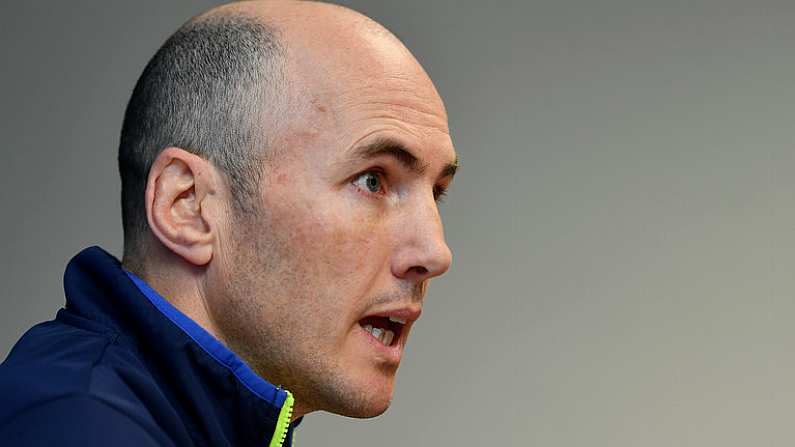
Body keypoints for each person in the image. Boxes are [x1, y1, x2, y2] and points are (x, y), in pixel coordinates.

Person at [0, 1, 457, 445]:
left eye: (436, 192)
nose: (436, 253)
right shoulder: (76, 426)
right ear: (188, 206)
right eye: (373, 180)